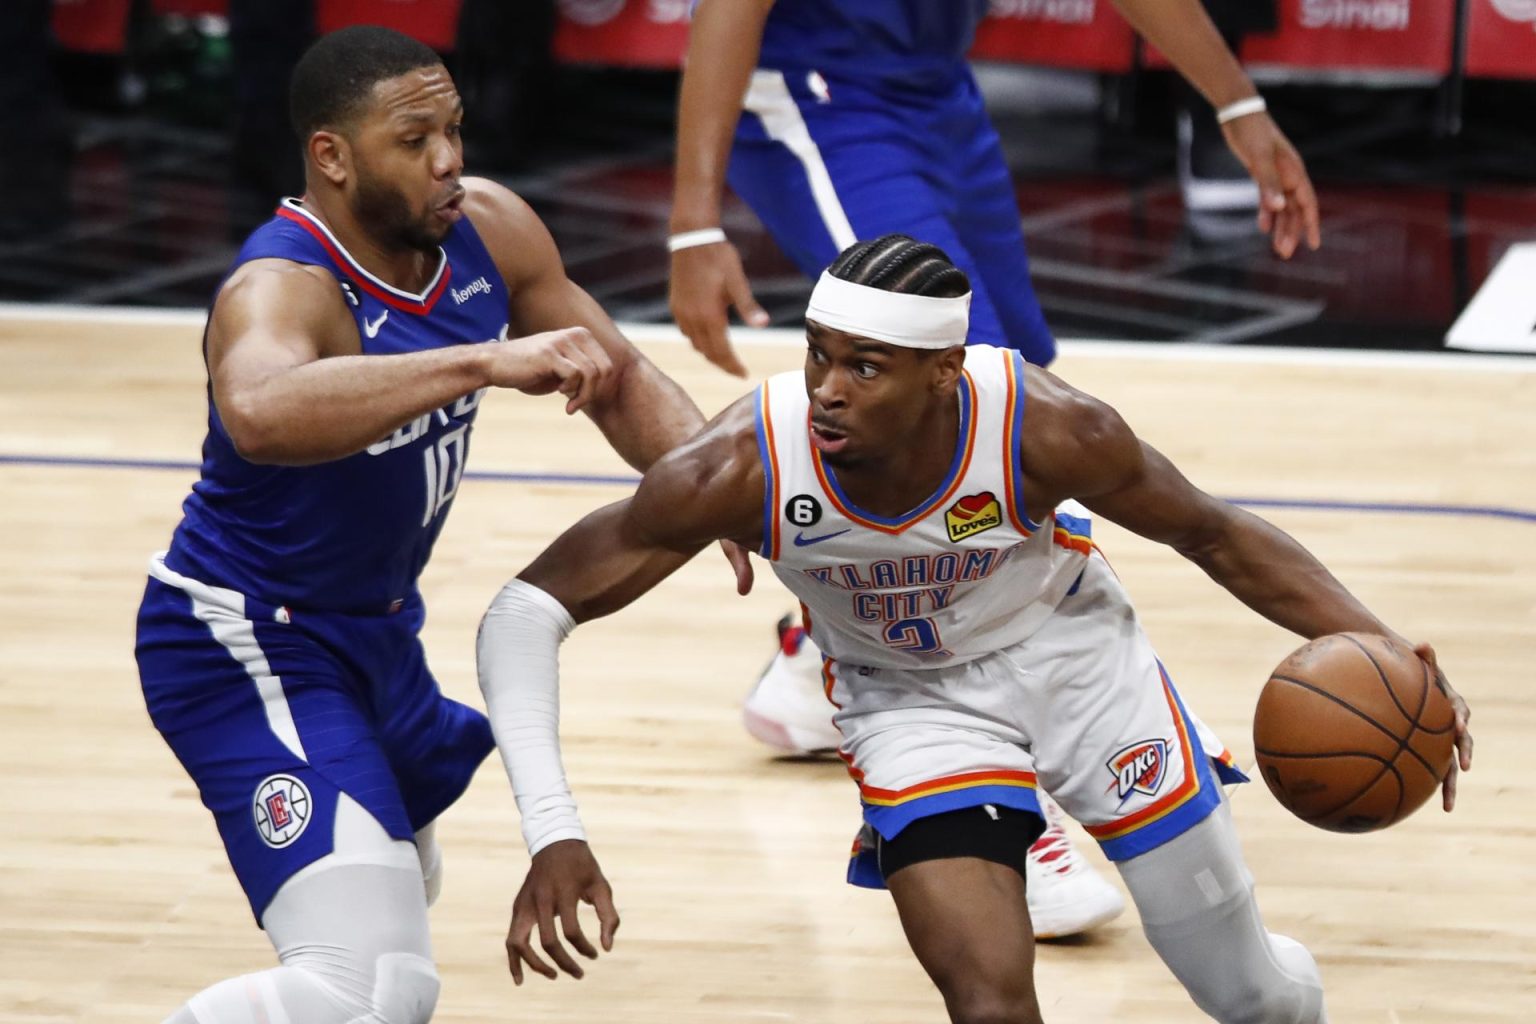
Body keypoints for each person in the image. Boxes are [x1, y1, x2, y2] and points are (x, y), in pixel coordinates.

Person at [477, 235, 1472, 1021]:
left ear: (946, 371)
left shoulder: (1051, 429)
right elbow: (525, 610)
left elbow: (1216, 535)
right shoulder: (740, 464)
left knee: (1247, 994)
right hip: (909, 703)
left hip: (1079, 665)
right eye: (820, 355)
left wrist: (1387, 645)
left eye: (866, 367)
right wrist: (553, 827)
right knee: (989, 1001)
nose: (827, 387)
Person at [668, 0, 1322, 937]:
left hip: (935, 89)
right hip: (815, 95)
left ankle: (815, 661)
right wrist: (694, 223)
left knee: (1017, 394)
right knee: (962, 398)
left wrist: (1236, 103)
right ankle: (1014, 806)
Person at [134, 26, 737, 1024]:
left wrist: (719, 485)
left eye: (452, 129)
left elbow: (614, 372)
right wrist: (479, 361)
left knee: (398, 904)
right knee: (370, 986)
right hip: (243, 641)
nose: (449, 160)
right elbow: (261, 411)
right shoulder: (282, 286)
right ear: (331, 156)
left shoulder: (490, 230)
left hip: (378, 639)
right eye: (414, 140)